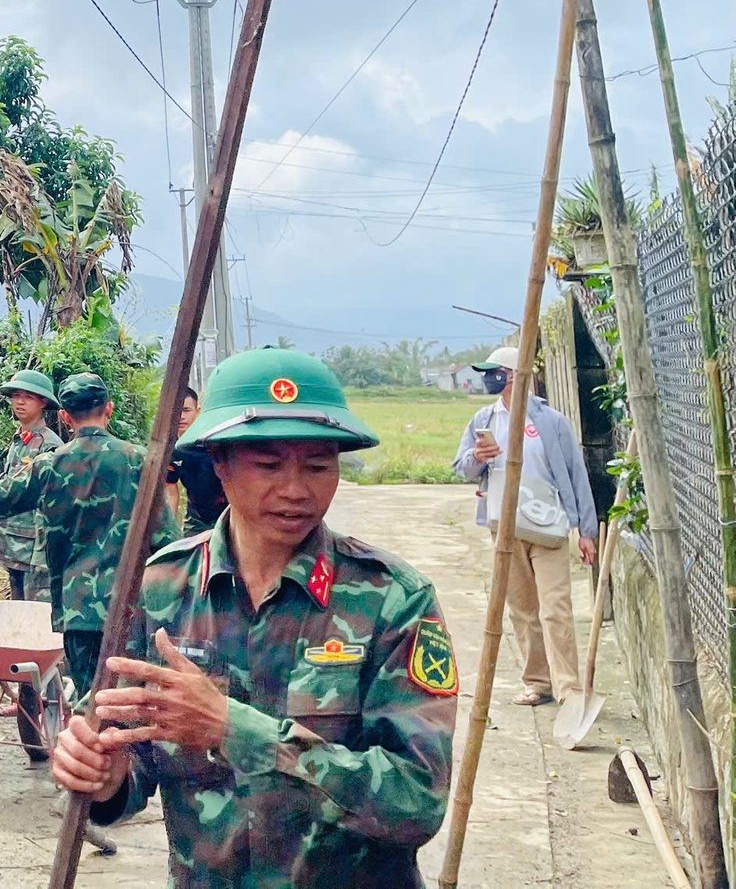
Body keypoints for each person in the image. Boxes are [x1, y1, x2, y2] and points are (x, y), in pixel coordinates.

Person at [51, 348, 457, 888]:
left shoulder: (392, 600)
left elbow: (417, 802)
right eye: (268, 465)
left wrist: (234, 730)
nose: (296, 489)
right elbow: (129, 745)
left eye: (318, 466)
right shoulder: (161, 588)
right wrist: (104, 775)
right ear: (219, 464)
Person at [0, 372, 172, 700]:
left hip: (77, 609)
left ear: (64, 416)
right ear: (109, 408)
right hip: (130, 607)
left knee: (90, 700)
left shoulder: (49, 465)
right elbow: (168, 539)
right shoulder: (139, 461)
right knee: (127, 701)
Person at [453, 344, 598, 708]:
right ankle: (538, 683)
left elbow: (576, 475)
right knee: (522, 609)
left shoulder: (551, 422)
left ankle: (569, 688)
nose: (490, 379)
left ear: (516, 377)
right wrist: (477, 457)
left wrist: (586, 530)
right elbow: (462, 467)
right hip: (505, 529)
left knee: (555, 609)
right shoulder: (485, 420)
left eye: (497, 373)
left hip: (548, 529)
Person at [0, 368, 62, 602]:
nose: (19, 402)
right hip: (12, 540)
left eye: (28, 397)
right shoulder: (20, 440)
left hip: (34, 547)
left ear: (43, 402)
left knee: (35, 609)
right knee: (16, 607)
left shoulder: (49, 444)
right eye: (16, 396)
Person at [167, 385, 228, 536]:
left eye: (186, 410)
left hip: (228, 514)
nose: (181, 416)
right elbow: (171, 493)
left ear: (198, 411)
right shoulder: (171, 450)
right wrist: (168, 529)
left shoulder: (215, 442)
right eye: (177, 411)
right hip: (196, 518)